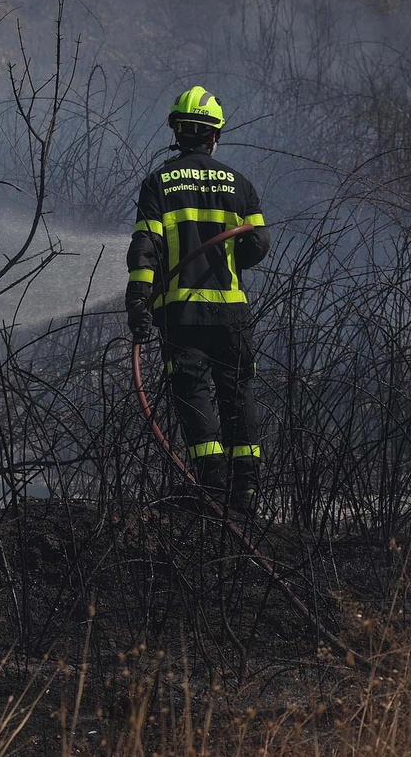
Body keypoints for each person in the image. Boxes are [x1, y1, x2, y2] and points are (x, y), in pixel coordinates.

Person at [126, 87, 271, 514]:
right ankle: (246, 492)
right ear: (214, 135)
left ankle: (212, 487)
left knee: (193, 394)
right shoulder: (240, 184)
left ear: (178, 132)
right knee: (238, 391)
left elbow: (145, 248)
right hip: (231, 314)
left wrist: (138, 301)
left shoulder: (159, 183)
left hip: (181, 314)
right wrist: (228, 261)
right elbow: (258, 244)